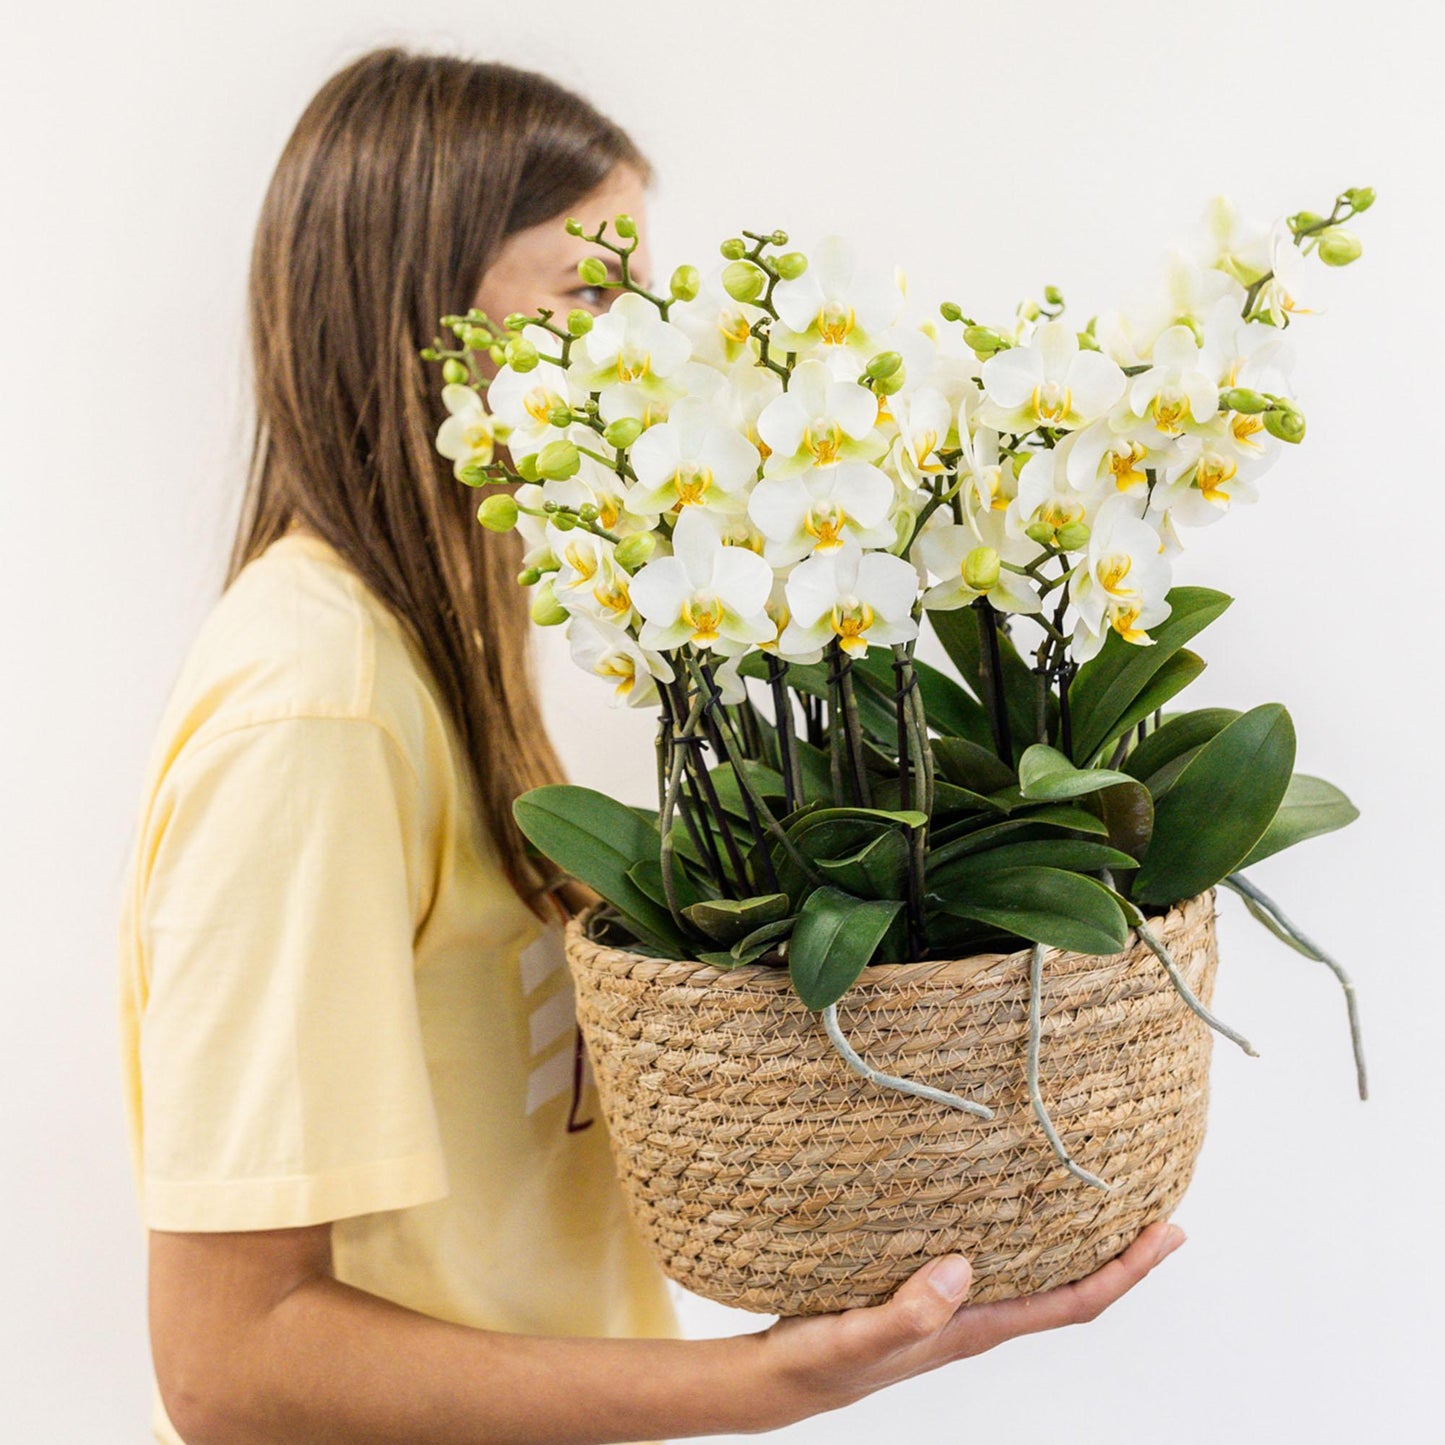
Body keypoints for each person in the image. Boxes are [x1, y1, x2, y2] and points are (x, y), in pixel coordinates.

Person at [115, 43, 1188, 1445]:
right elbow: (228, 1362)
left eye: (646, 295)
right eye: (587, 297)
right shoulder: (313, 712)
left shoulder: (436, 647)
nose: (646, 349)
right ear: (418, 321)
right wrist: (758, 1386)